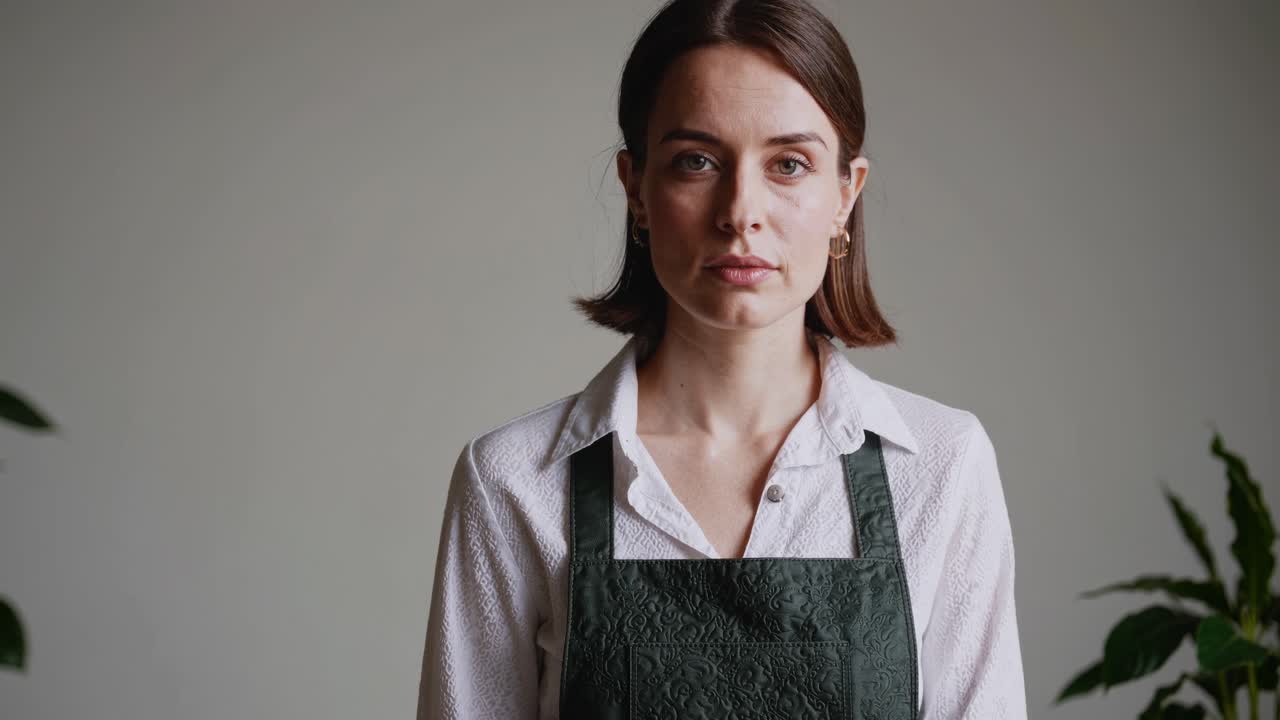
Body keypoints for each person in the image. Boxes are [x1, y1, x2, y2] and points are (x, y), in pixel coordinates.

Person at [416, 0, 1028, 717]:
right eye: (696, 161)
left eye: (789, 164)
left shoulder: (942, 469)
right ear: (636, 189)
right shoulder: (515, 482)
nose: (741, 210)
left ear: (845, 196)